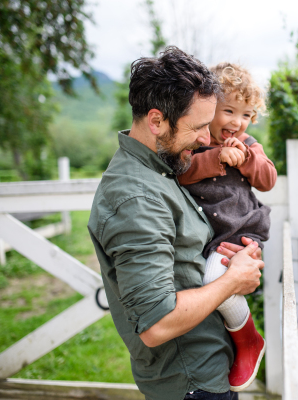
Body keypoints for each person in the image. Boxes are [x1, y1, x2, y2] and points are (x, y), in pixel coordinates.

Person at [88, 47, 264, 400]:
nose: (205, 139)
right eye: (199, 126)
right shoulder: (136, 198)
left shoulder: (163, 166)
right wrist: (232, 281)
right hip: (191, 383)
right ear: (156, 121)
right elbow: (157, 324)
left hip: (207, 368)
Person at [178, 62, 276, 391]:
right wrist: (216, 157)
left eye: (246, 115)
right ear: (209, 108)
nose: (237, 122)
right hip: (214, 236)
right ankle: (237, 340)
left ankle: (248, 339)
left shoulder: (249, 143)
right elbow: (183, 173)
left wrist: (247, 158)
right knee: (210, 284)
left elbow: (268, 179)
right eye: (228, 110)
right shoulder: (194, 147)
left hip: (244, 228)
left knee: (212, 280)